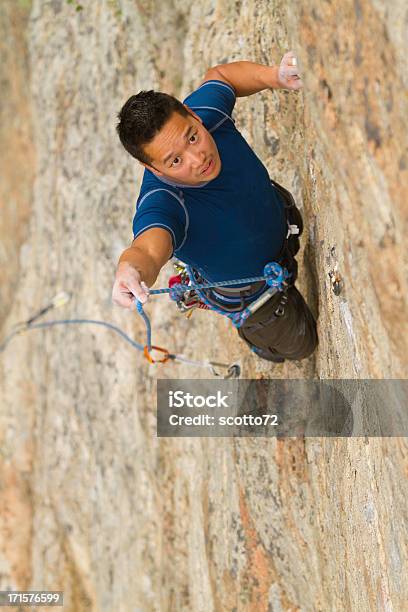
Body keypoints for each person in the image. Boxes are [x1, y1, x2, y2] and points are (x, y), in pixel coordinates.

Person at [112, 52, 318, 363]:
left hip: (280, 220)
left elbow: (221, 77)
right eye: (175, 161)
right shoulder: (164, 203)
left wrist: (274, 76)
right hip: (252, 294)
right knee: (301, 344)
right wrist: (131, 270)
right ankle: (261, 343)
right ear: (153, 169)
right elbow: (148, 248)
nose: (198, 159)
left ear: (193, 116)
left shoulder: (207, 113)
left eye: (192, 138)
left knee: (294, 234)